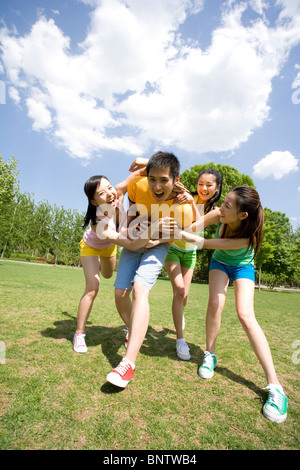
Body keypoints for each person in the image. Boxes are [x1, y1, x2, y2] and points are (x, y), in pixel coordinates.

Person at [176, 186, 288, 423]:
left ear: (243, 215)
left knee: (245, 315)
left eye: (228, 205)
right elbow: (192, 229)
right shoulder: (220, 214)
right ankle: (210, 354)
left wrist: (182, 235)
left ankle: (275, 386)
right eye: (223, 202)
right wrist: (176, 230)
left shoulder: (249, 237)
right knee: (215, 304)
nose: (221, 208)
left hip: (241, 266)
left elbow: (204, 242)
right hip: (219, 263)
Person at [106, 151, 194, 388]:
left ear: (175, 180)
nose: (156, 186)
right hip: (134, 240)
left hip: (158, 245)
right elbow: (121, 194)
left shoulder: (182, 203)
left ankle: (128, 364)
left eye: (163, 180)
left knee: (140, 288)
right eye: (152, 179)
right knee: (119, 293)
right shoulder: (138, 184)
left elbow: (171, 235)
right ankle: (132, 328)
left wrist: (151, 236)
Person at [73, 163, 159, 353]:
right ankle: (79, 333)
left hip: (109, 249)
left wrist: (145, 160)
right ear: (95, 201)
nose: (110, 194)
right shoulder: (98, 225)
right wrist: (148, 242)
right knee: (92, 288)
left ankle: (129, 327)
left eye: (109, 187)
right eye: (102, 194)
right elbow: (128, 244)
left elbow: (142, 171)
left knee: (107, 276)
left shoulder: (117, 193)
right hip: (91, 247)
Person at [164, 169, 223, 361]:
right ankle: (180, 339)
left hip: (190, 253)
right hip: (172, 248)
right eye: (201, 183)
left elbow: (196, 226)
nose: (203, 188)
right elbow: (164, 185)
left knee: (184, 296)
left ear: (217, 188)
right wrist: (175, 195)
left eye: (209, 185)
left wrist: (189, 200)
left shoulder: (214, 210)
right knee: (179, 291)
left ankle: (179, 315)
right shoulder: (184, 194)